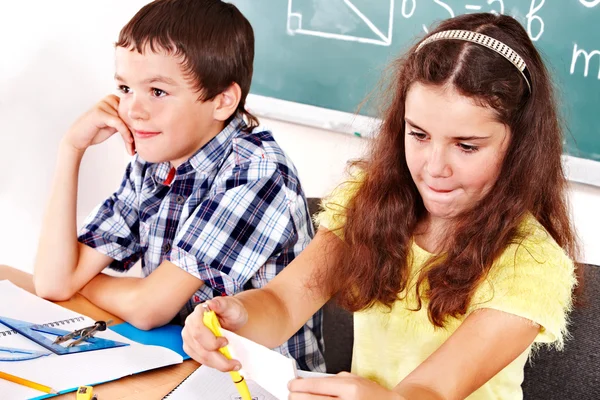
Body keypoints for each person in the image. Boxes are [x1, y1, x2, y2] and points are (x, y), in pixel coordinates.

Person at [181, 12, 579, 400]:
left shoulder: (533, 264)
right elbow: (283, 302)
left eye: (466, 146)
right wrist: (235, 318)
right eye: (418, 135)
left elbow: (432, 390)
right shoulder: (367, 199)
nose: (434, 168)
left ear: (519, 147)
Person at [32, 0, 324, 372]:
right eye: (124, 87)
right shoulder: (153, 162)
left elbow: (149, 308)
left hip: (258, 384)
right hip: (180, 366)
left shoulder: (257, 172)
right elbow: (53, 282)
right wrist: (70, 149)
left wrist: (83, 281)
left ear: (222, 101)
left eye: (156, 91)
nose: (133, 110)